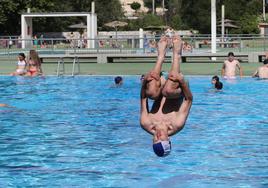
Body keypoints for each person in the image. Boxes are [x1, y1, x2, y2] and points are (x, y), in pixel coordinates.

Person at [140, 35, 193, 157]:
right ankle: (177, 55)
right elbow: (189, 99)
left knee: (152, 92)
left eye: (155, 140)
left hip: (161, 84)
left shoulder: (146, 123)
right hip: (177, 88)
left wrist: (145, 81)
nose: (158, 137)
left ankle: (160, 57)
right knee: (168, 91)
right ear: (168, 140)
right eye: (161, 139)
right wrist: (182, 81)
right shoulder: (177, 124)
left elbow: (143, 97)